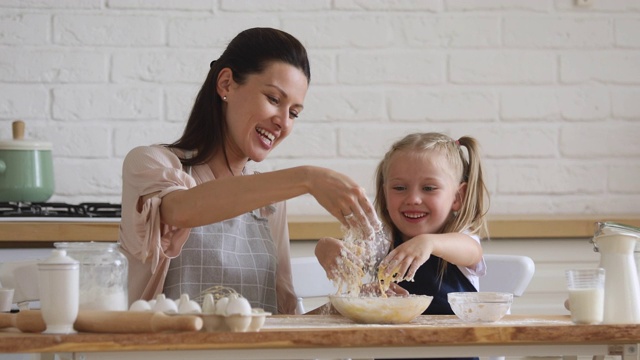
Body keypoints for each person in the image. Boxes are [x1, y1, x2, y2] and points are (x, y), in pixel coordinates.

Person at [118, 27, 379, 315]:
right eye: (274, 99)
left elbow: (283, 319)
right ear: (226, 84)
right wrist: (307, 178)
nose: (283, 122)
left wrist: (355, 305)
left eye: (294, 113)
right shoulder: (150, 164)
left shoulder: (271, 203)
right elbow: (180, 210)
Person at [316, 132, 489, 312]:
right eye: (399, 188)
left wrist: (428, 243)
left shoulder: (461, 238)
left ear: (457, 196)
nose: (413, 199)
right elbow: (357, 253)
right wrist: (327, 247)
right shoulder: (385, 240)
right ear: (385, 193)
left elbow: (473, 252)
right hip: (393, 339)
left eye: (429, 188)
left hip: (456, 339)